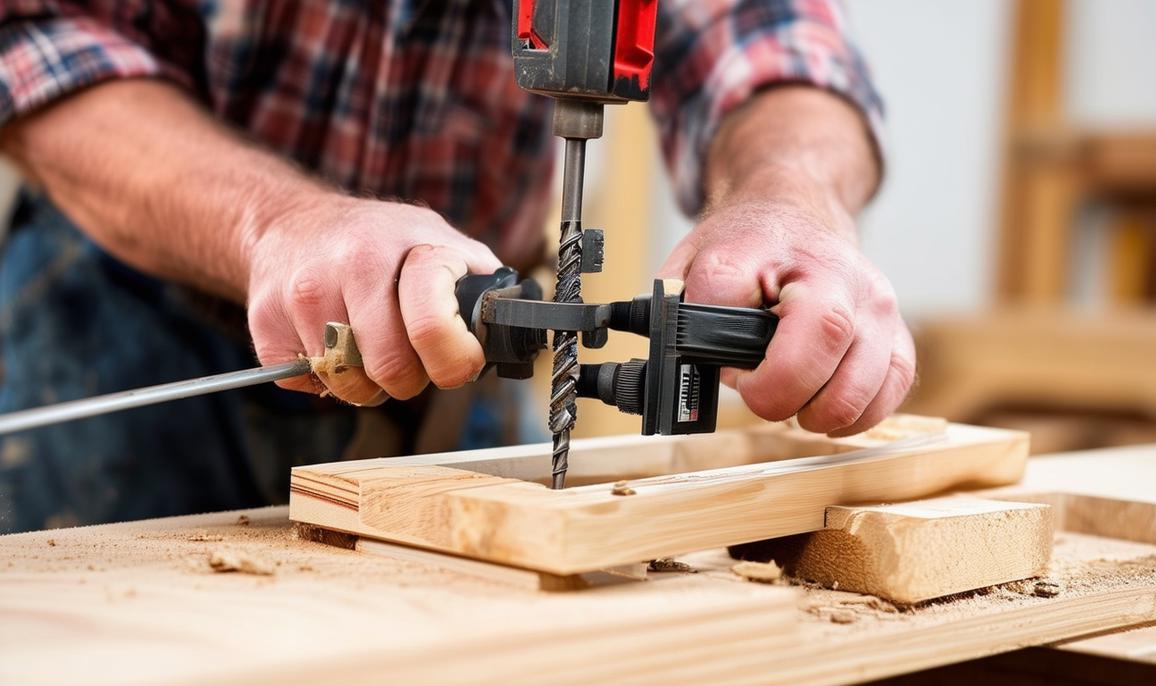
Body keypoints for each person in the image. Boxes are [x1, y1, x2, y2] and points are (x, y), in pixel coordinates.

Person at [0, 1, 914, 533]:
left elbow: (777, 44)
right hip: (129, 317)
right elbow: (37, 37)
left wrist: (791, 196)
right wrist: (273, 221)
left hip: (463, 354)